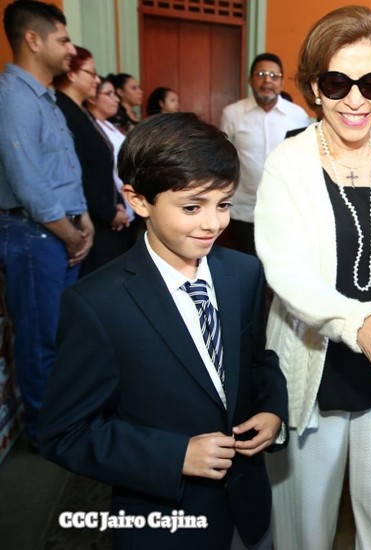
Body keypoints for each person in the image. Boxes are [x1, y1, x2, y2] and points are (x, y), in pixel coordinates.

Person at [38, 113, 289, 550]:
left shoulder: (243, 273)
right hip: (165, 520)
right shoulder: (98, 304)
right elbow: (65, 433)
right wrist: (175, 456)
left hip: (247, 505)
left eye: (223, 204)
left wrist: (272, 409)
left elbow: (257, 361)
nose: (213, 223)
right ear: (138, 200)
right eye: (192, 207)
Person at [254, 6, 371, 549]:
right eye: (338, 83)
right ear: (315, 86)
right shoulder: (288, 163)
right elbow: (286, 271)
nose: (355, 100)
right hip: (316, 376)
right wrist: (364, 325)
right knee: (303, 533)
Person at [0, 0, 93, 446]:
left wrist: (83, 218)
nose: (71, 49)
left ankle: (60, 418)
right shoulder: (13, 97)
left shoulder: (45, 97)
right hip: (35, 235)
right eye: (63, 40)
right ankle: (44, 434)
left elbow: (64, 169)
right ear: (33, 40)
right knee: (40, 340)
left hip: (59, 232)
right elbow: (28, 181)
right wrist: (70, 231)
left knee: (60, 335)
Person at [219, 53, 311, 256]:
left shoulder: (297, 116)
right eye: (261, 74)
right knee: (245, 263)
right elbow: (224, 161)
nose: (267, 80)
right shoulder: (232, 114)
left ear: (281, 82)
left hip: (285, 210)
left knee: (280, 264)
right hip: (243, 209)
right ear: (250, 80)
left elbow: (303, 161)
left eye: (274, 75)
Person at [55, 46, 133, 276]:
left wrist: (117, 203)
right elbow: (80, 171)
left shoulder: (80, 111)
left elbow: (103, 166)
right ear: (72, 74)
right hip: (92, 216)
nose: (96, 79)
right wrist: (109, 212)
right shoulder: (63, 110)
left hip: (105, 211)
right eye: (91, 73)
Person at [87, 74, 137, 234]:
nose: (116, 99)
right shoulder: (92, 127)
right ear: (93, 98)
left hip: (127, 202)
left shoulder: (109, 124)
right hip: (113, 203)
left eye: (115, 94)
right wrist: (115, 207)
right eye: (109, 94)